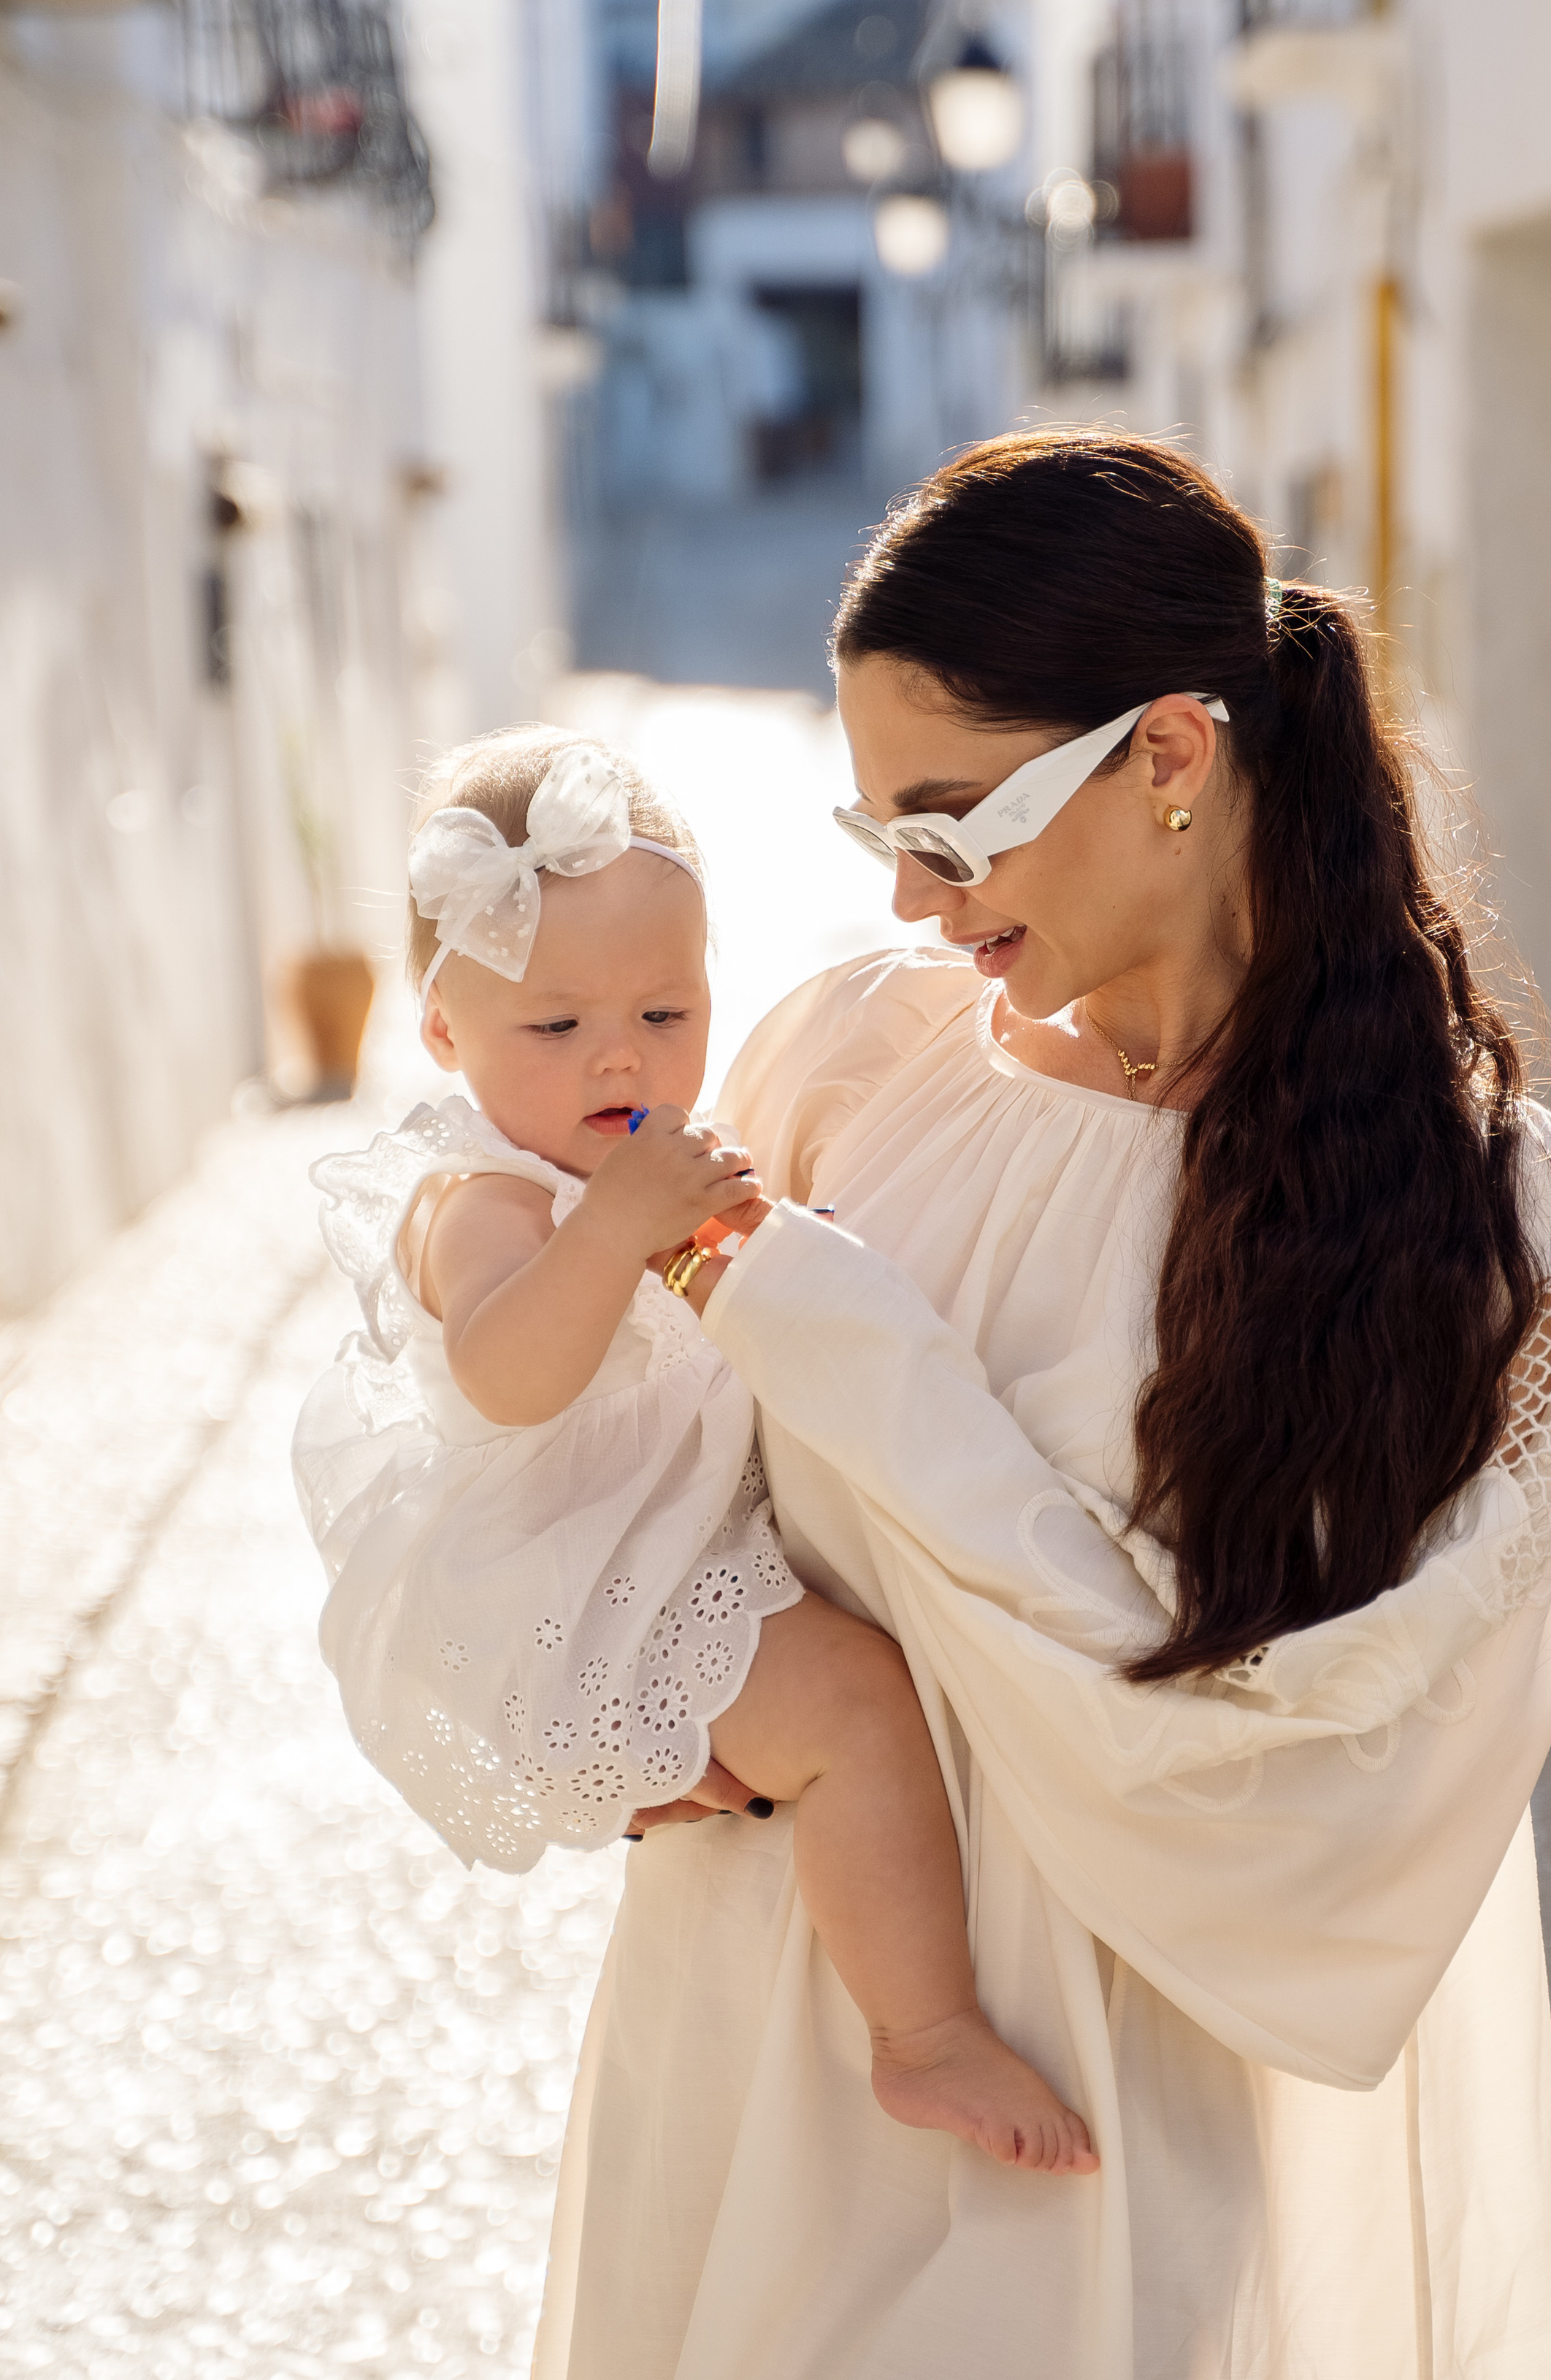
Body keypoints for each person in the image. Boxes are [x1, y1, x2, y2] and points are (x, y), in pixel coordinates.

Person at [503, 432, 1551, 2380]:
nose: (919, 897)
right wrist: (635, 1704)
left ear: (1174, 758)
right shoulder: (856, 1064)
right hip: (782, 2016)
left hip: (1125, 2117)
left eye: (957, 823)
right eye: (880, 833)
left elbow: (1332, 1771)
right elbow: (627, 1477)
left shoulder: (1495, 1224)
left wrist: (839, 1342)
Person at [291, 724, 1095, 2173]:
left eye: (665, 1012)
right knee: (855, 1710)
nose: (620, 1054)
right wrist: (612, 1228)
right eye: (555, 1028)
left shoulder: (649, 1153)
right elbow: (507, 1376)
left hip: (666, 1542)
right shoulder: (480, 1198)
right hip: (574, 1587)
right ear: (445, 1037)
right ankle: (924, 2035)